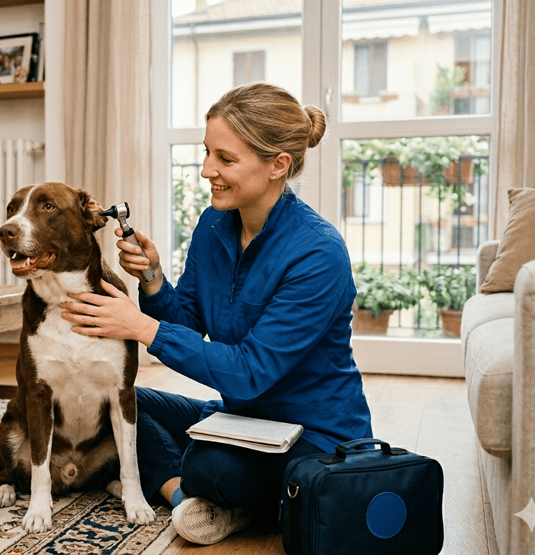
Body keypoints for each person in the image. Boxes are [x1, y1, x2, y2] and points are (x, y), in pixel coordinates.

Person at [58, 83, 372, 545]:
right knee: (117, 400)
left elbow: (250, 371)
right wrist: (154, 281)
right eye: (207, 154)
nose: (207, 171)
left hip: (314, 438)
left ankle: (194, 488)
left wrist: (140, 326)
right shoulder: (214, 224)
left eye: (225, 159)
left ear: (277, 165)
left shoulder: (318, 254)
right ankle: (187, 498)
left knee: (210, 465)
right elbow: (186, 320)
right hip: (239, 419)